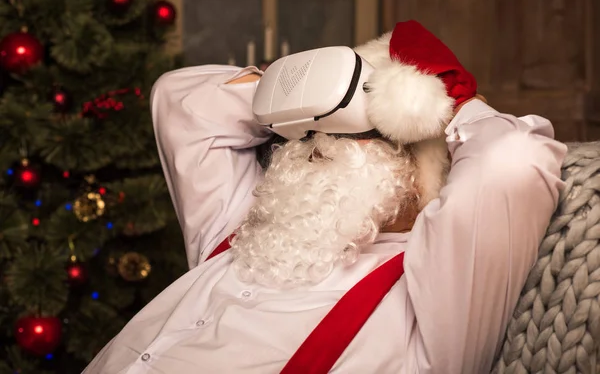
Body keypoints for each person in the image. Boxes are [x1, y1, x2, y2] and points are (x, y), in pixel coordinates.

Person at [83, 21, 566, 373]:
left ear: (418, 176)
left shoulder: (430, 295)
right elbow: (182, 101)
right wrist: (336, 90)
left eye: (369, 131)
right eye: (317, 126)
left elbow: (514, 162)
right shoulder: (248, 227)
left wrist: (449, 107)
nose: (322, 139)